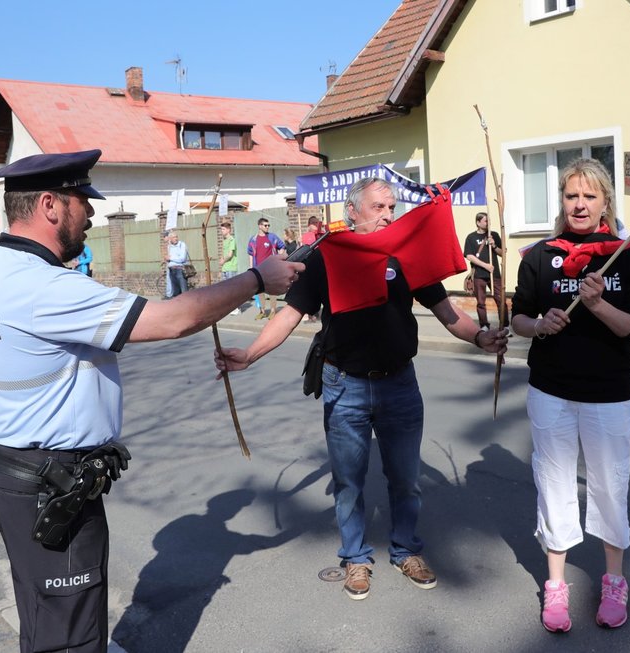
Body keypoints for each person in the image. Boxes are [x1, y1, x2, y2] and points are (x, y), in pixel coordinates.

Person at [0, 149, 301, 653]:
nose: (91, 213)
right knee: (70, 635)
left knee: (45, 617)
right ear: (51, 205)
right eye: (82, 201)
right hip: (50, 481)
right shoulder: (45, 288)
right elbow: (172, 320)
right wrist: (257, 279)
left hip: (18, 472)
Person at [215, 177, 508, 601]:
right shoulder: (327, 256)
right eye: (378, 207)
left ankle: (405, 549)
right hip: (344, 385)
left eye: (391, 207)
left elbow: (446, 311)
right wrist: (250, 353)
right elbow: (290, 314)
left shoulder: (405, 254)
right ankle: (355, 558)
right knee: (348, 481)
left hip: (399, 385)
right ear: (352, 211)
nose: (388, 214)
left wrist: (481, 337)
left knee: (405, 479)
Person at [510, 158, 630, 633]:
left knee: (610, 485)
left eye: (590, 196)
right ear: (562, 201)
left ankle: (614, 580)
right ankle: (556, 586)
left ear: (605, 201)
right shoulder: (537, 256)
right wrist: (540, 325)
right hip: (551, 391)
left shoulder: (627, 256)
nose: (580, 204)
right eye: (572, 195)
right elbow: (519, 320)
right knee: (553, 483)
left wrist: (596, 303)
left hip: (609, 394)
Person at [463, 211, 507, 330]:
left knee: (501, 300)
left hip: (495, 274)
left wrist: (494, 246)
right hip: (479, 275)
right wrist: (485, 265)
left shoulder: (494, 235)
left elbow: (503, 253)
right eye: (485, 221)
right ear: (478, 222)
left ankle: (504, 326)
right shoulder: (471, 237)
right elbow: (469, 256)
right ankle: (484, 325)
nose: (488, 223)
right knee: (481, 302)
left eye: (489, 221)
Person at [247, 217, 285, 319]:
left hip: (271, 268)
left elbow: (282, 246)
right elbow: (250, 253)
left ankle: (273, 311)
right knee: (260, 290)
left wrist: (277, 258)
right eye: (265, 225)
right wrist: (251, 268)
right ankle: (262, 311)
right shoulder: (253, 239)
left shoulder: (272, 237)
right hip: (258, 269)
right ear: (260, 226)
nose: (267, 227)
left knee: (272, 289)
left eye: (268, 225)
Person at [219, 221, 241, 315]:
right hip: (225, 268)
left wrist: (223, 261)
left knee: (233, 289)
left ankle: (236, 308)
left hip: (231, 267)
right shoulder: (224, 240)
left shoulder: (232, 240)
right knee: (226, 290)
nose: (222, 231)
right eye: (221, 229)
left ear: (228, 230)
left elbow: (230, 254)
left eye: (223, 229)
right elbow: (223, 254)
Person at [165, 231, 190, 297]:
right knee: (175, 292)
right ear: (170, 239)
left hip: (180, 270)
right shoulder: (169, 247)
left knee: (184, 291)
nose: (176, 238)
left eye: (176, 237)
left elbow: (182, 258)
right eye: (173, 237)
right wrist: (167, 259)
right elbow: (169, 259)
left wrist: (171, 258)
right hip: (171, 270)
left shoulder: (182, 245)